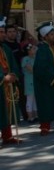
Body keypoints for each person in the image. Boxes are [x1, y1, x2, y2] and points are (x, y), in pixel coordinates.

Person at [0, 17, 23, 145]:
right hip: (2, 81)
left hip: (7, 84)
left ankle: (7, 136)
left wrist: (13, 74)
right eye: (1, 32)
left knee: (5, 111)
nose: (3, 34)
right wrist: (3, 78)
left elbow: (13, 64)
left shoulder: (6, 48)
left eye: (3, 32)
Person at [4, 24, 25, 120]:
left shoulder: (17, 44)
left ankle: (26, 115)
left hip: (19, 73)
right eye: (10, 32)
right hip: (8, 75)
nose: (12, 34)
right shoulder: (4, 46)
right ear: (5, 33)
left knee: (22, 95)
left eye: (14, 31)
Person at [21, 44, 38, 123]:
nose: (35, 50)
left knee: (35, 99)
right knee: (30, 99)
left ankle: (36, 115)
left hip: (35, 81)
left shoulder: (35, 58)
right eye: (33, 49)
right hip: (29, 81)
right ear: (29, 51)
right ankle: (30, 117)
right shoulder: (25, 59)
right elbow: (31, 70)